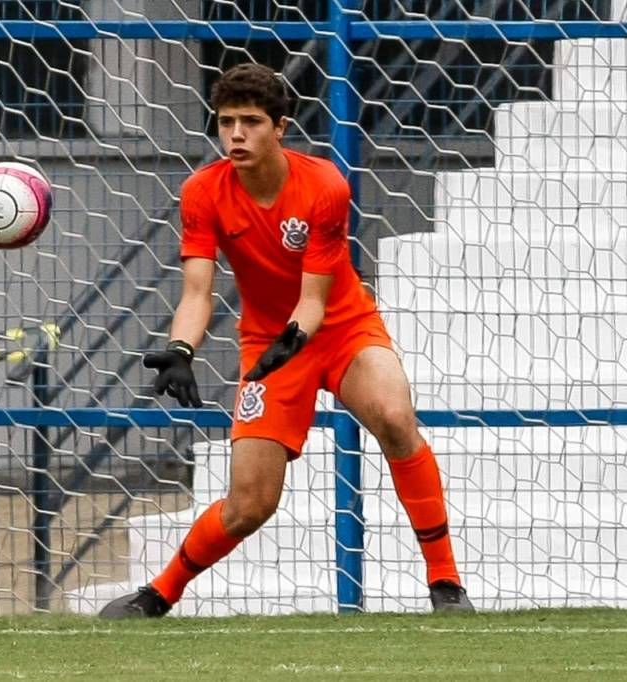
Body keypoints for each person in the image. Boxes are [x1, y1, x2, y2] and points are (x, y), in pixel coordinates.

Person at [100, 63, 473, 618]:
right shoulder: (202, 192)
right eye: (226, 122)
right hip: (269, 346)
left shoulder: (324, 185)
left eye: (250, 122)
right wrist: (181, 350)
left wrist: (295, 335)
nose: (235, 135)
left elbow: (315, 300)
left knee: (396, 419)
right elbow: (198, 291)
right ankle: (158, 596)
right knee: (249, 505)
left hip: (343, 329)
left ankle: (446, 585)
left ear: (281, 127)